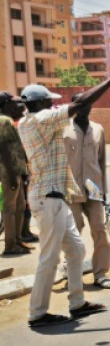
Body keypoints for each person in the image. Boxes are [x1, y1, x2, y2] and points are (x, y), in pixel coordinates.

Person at [19, 73, 110, 328]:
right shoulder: (41, 120)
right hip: (49, 199)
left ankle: (77, 302)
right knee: (49, 257)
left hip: (56, 196)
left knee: (76, 249)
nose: (53, 105)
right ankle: (37, 313)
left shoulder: (29, 120)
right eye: (49, 101)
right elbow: (80, 105)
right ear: (39, 104)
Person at [63, 94, 110, 288]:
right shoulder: (63, 129)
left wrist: (104, 190)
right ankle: (71, 273)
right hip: (71, 190)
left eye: (88, 104)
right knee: (73, 233)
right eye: (80, 104)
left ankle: (100, 273)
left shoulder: (98, 130)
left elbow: (102, 161)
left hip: (95, 190)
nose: (85, 108)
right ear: (73, 105)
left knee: (100, 230)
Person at [1, 92, 31, 256]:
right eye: (15, 103)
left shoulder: (9, 121)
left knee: (20, 206)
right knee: (10, 209)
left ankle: (18, 240)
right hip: (9, 172)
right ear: (6, 105)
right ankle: (10, 244)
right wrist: (13, 174)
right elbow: (4, 149)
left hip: (16, 170)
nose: (19, 106)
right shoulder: (3, 121)